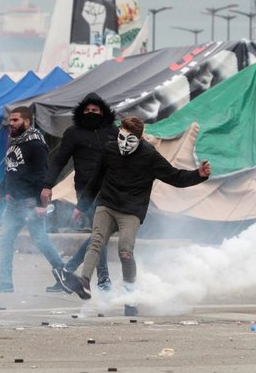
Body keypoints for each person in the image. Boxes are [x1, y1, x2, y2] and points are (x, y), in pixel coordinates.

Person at [61, 117, 212, 315]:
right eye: (121, 137)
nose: (123, 144)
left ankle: (130, 295)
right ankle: (84, 281)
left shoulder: (149, 155)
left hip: (132, 210)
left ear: (140, 139)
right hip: (107, 204)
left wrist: (199, 175)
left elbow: (175, 177)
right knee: (96, 241)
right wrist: (81, 206)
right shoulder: (109, 149)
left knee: (125, 250)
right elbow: (95, 180)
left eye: (130, 140)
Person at [40, 93, 118, 293]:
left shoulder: (112, 131)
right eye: (87, 110)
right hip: (87, 189)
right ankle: (102, 279)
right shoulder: (73, 133)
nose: (91, 113)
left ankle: (68, 270)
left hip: (111, 188)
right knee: (100, 232)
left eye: (95, 110)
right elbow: (59, 160)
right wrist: (48, 184)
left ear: (103, 111)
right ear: (82, 112)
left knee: (101, 233)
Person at [0, 106, 66, 294]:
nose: (11, 124)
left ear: (27, 122)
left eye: (15, 120)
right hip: (13, 203)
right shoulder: (15, 143)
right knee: (5, 240)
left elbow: (42, 175)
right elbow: (10, 171)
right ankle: (5, 282)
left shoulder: (36, 144)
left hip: (30, 202)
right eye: (10, 120)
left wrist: (40, 204)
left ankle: (65, 276)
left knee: (40, 240)